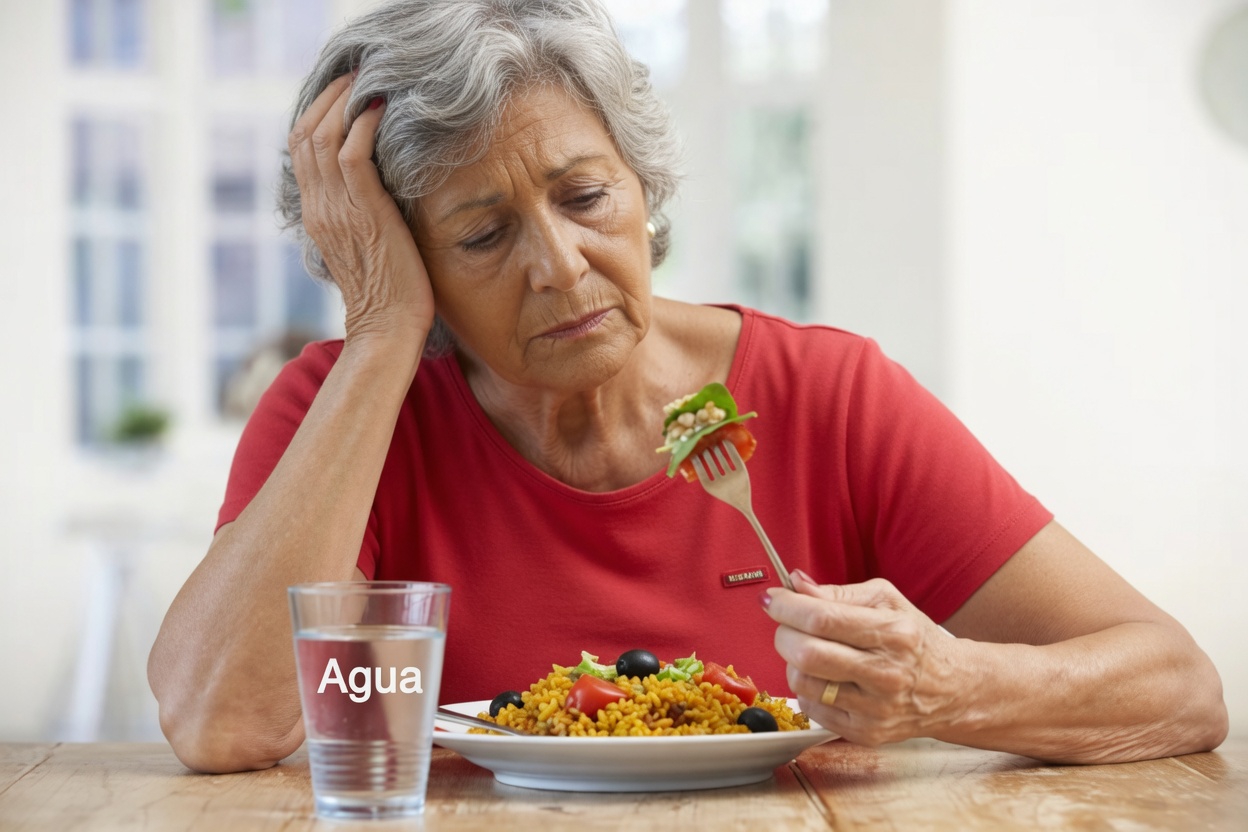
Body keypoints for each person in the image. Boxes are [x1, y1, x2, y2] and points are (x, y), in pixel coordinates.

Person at [147, 0, 1227, 774]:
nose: (565, 265)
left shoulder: (828, 394)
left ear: (641, 182)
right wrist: (384, 329)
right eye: (482, 235)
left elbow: (1178, 686)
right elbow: (220, 722)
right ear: (407, 260)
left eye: (585, 194)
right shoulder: (342, 408)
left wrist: (954, 685)